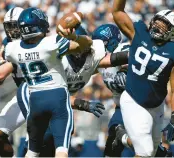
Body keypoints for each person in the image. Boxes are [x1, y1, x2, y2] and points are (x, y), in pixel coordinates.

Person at [15, 24, 129, 157]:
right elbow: (53, 95)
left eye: (81, 47)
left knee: (61, 137)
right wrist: (83, 104)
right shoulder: (59, 63)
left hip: (58, 99)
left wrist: (125, 69)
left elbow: (117, 58)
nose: (79, 52)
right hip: (34, 93)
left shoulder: (93, 58)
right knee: (41, 139)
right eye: (75, 47)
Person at [5, 7, 92, 157]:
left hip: (34, 101)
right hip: (57, 98)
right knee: (62, 149)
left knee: (32, 151)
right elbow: (85, 45)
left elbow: (9, 54)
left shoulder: (11, 48)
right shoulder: (52, 43)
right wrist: (74, 37)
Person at [112, 0, 174, 156]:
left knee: (152, 152)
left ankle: (122, 137)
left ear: (172, 31)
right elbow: (117, 12)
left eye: (164, 25)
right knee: (145, 152)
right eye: (157, 22)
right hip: (133, 100)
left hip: (157, 106)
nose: (158, 26)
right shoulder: (139, 33)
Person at [0, 7, 26, 157]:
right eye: (9, 26)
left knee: (35, 147)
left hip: (42, 93)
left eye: (15, 26)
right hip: (23, 93)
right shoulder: (8, 43)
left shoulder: (34, 41)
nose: (12, 31)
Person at [92, 23, 129, 157]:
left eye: (100, 43)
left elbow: (137, 60)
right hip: (121, 107)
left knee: (145, 148)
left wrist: (126, 71)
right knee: (111, 150)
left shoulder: (123, 49)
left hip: (139, 104)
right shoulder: (100, 61)